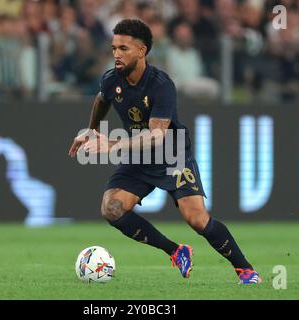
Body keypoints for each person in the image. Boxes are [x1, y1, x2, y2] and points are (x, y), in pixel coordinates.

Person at [68, 19, 261, 284]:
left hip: (173, 155)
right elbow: (101, 99)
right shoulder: (112, 79)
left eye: (123, 48)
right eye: (114, 48)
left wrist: (112, 144)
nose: (116, 54)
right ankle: (176, 251)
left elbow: (157, 135)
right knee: (111, 209)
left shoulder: (161, 85)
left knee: (196, 219)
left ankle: (246, 270)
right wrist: (91, 130)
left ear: (141, 50)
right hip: (139, 155)